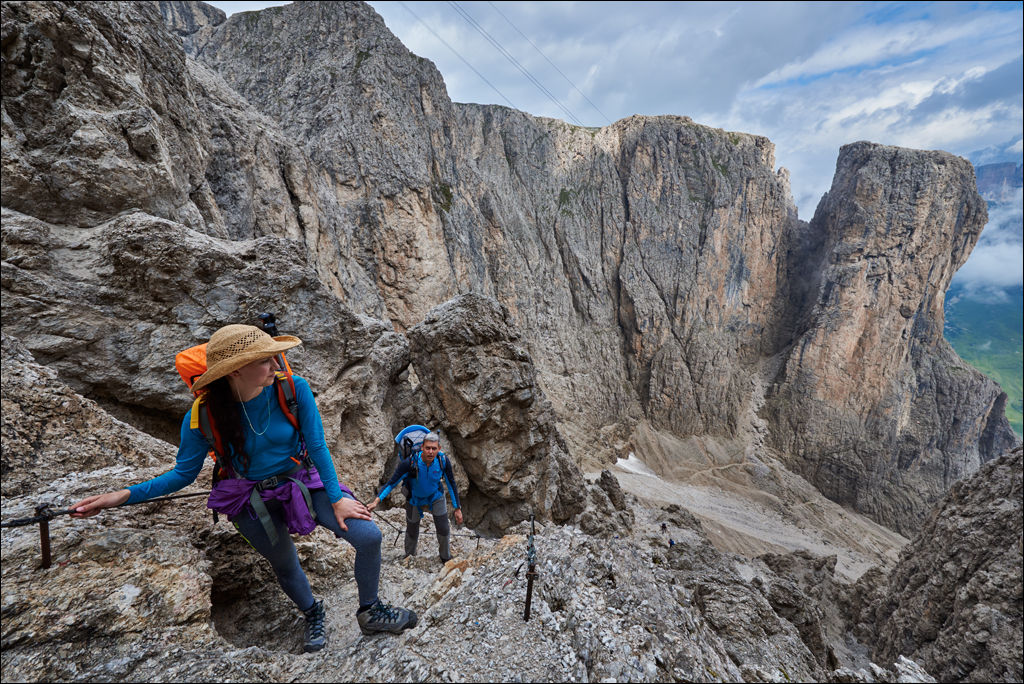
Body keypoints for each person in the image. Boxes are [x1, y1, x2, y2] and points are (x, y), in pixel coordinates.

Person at [70, 325, 416, 652]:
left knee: (368, 536)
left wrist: (338, 499)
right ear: (235, 371)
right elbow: (182, 476)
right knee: (284, 564)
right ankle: (312, 612)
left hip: (302, 481)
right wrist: (120, 496)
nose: (275, 364)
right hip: (248, 499)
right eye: (264, 359)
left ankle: (370, 612)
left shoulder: (293, 389)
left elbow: (318, 446)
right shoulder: (202, 416)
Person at [368, 433, 462, 562]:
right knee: (412, 529)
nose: (430, 451)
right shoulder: (410, 463)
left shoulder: (443, 461)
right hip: (414, 498)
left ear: (439, 449)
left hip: (436, 496)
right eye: (428, 448)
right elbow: (391, 483)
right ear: (422, 447)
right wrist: (376, 501)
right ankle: (409, 557)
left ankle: (445, 557)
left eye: (434, 448)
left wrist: (457, 508)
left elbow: (451, 484)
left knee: (443, 528)